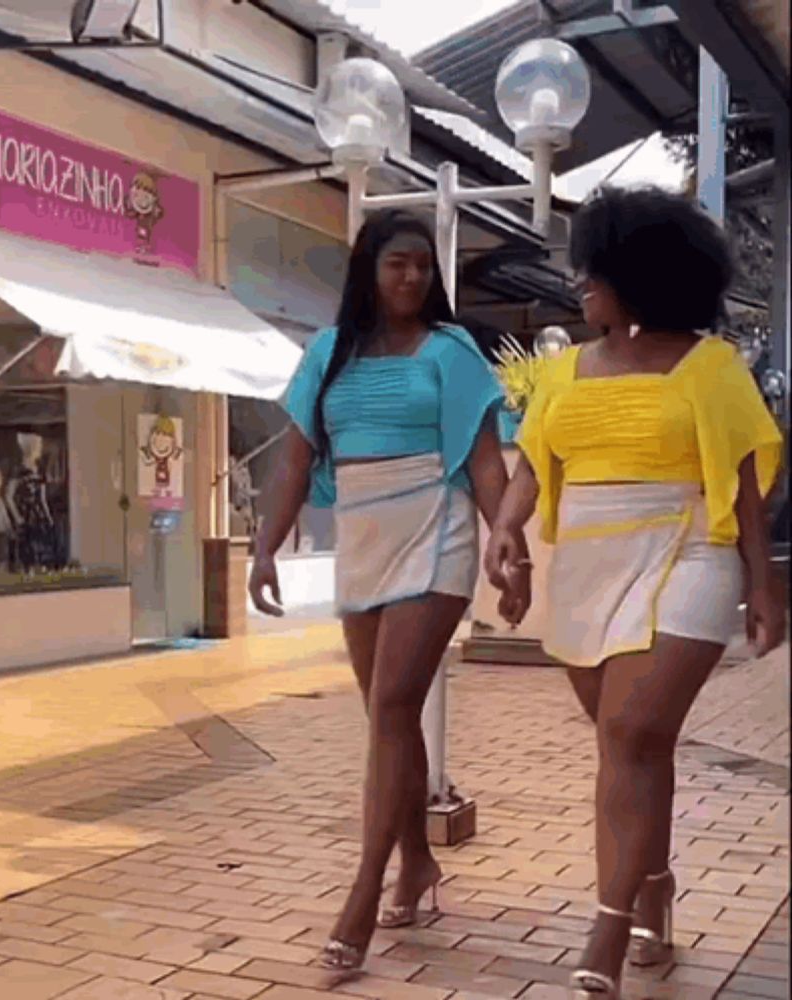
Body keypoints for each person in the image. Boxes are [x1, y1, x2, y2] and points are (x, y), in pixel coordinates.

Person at [484, 186, 784, 999]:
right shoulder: (564, 371)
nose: (581, 285)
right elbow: (533, 468)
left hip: (688, 550)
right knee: (631, 748)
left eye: (595, 272)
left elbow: (745, 479)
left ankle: (608, 926)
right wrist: (507, 531)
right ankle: (653, 889)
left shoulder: (710, 367)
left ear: (640, 275)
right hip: (586, 566)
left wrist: (763, 585)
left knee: (630, 729)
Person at [249, 209, 508, 972]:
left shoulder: (452, 352)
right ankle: (419, 861)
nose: (412, 277)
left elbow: (485, 461)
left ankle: (366, 888)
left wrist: (507, 544)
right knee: (387, 716)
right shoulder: (329, 354)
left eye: (422, 267)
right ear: (369, 268)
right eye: (398, 263)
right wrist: (264, 548)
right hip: (362, 536)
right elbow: (294, 463)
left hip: (437, 527)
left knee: (394, 704)